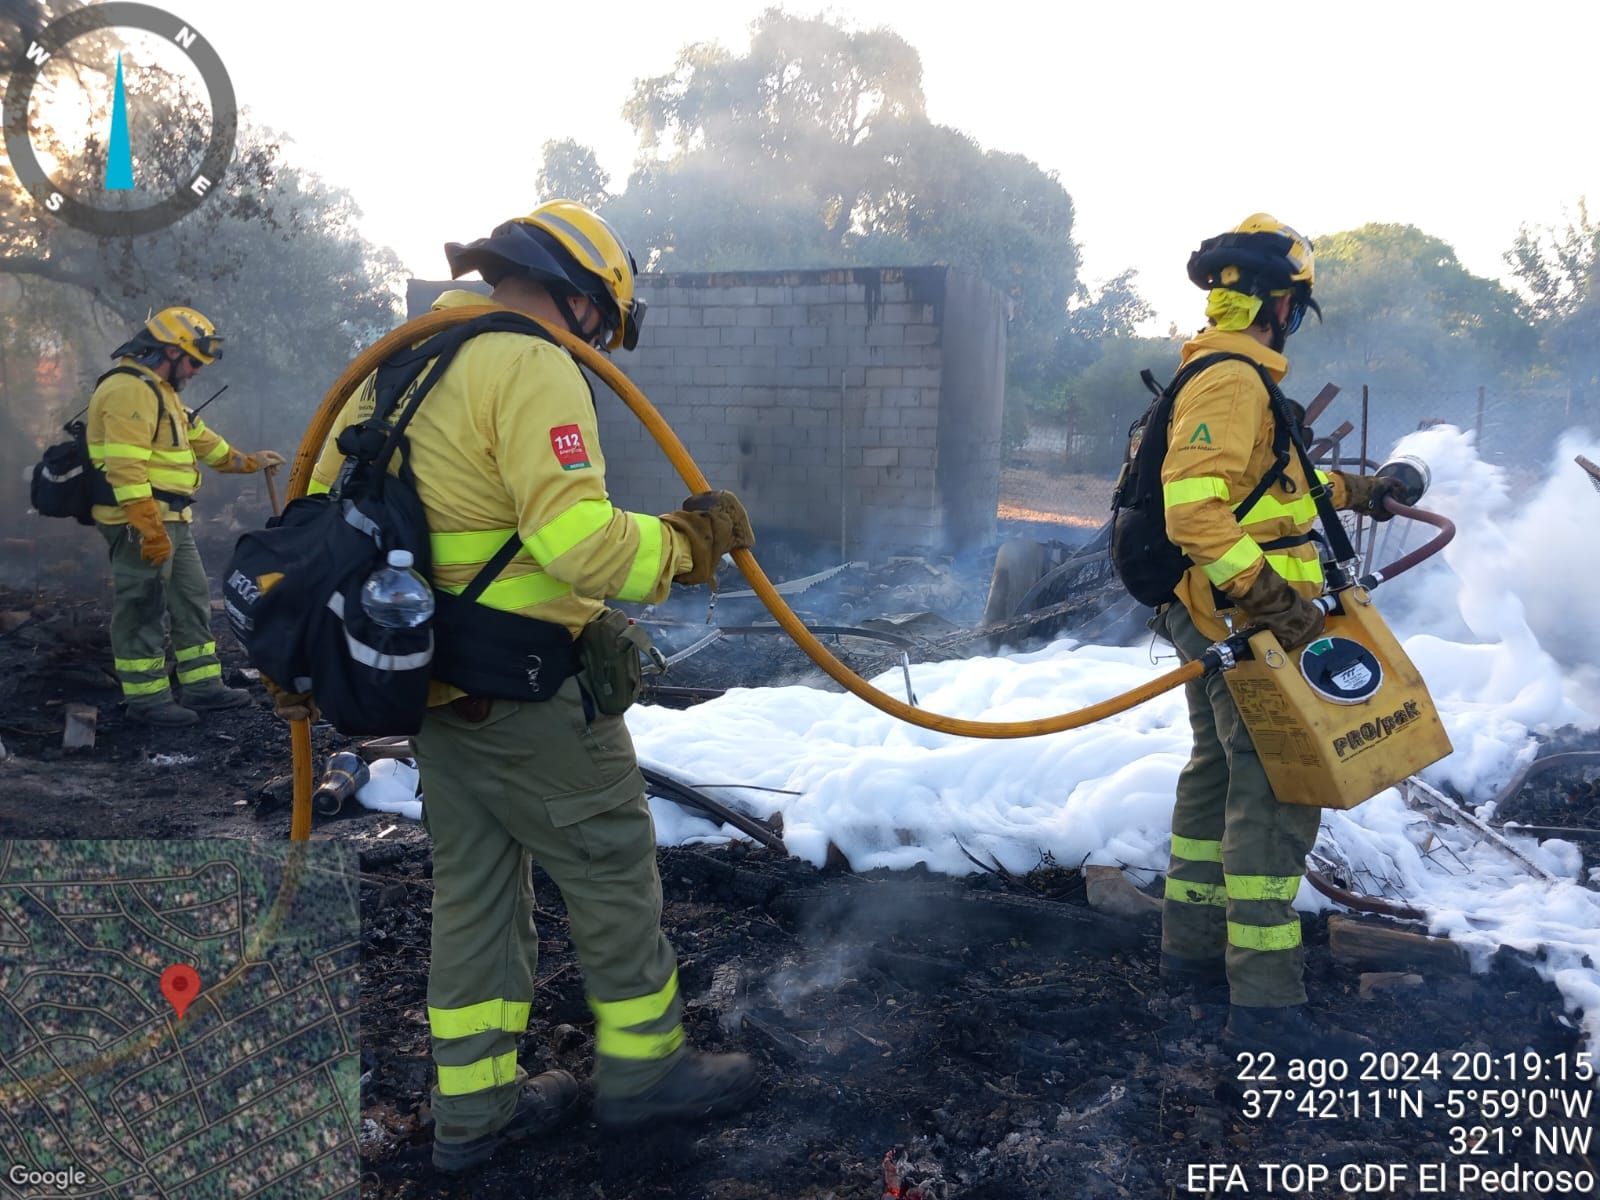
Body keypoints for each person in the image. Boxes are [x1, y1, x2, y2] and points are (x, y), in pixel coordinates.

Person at [290, 200, 760, 1173]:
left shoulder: (402, 365)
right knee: (613, 866)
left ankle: (474, 1115)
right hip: (527, 693)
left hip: (430, 688)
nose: (602, 354)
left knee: (474, 896)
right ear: (584, 302)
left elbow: (338, 514)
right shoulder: (532, 363)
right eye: (606, 332)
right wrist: (683, 545)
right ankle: (643, 1074)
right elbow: (576, 544)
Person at [1154, 215, 1404, 1054]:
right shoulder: (1232, 381)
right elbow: (1195, 510)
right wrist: (1270, 600)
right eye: (1296, 302)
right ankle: (1266, 1005)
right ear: (1282, 304)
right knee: (1271, 789)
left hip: (1221, 619)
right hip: (1242, 625)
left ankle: (1188, 958)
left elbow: (1274, 487)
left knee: (1218, 775)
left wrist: (1361, 490)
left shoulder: (1239, 378)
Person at [87, 306, 285, 727]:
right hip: (138, 522)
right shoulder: (129, 390)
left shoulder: (162, 392)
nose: (197, 371)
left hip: (172, 519)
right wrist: (146, 527)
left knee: (192, 599)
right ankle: (147, 699)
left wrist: (247, 461)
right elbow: (125, 468)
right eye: (194, 361)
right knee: (143, 604)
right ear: (169, 351)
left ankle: (202, 687)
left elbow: (201, 442)